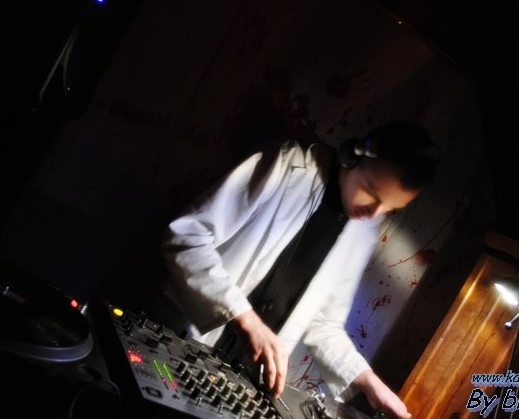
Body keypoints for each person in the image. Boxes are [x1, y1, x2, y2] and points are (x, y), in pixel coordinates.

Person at [162, 120, 440, 419]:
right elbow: (187, 237)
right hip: (184, 339)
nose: (374, 213)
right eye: (371, 192)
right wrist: (246, 319)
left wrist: (371, 385)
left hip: (242, 381)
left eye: (389, 208)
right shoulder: (284, 163)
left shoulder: (363, 230)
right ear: (352, 156)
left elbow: (325, 324)